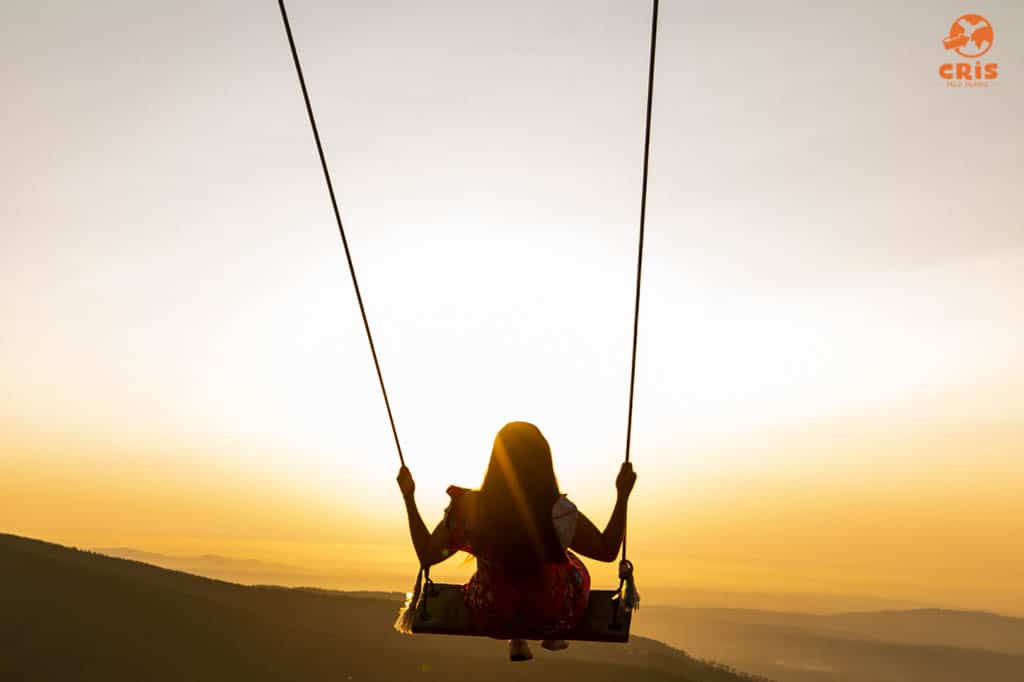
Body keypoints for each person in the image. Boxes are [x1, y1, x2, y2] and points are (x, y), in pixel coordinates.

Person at [396, 420, 637, 662]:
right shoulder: (557, 512)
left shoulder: (470, 508)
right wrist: (622, 495)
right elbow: (606, 550)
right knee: (571, 565)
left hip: (492, 613)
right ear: (543, 463)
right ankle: (552, 635)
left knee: (496, 578)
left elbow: (427, 555)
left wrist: (409, 497)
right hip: (552, 614)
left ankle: (516, 638)